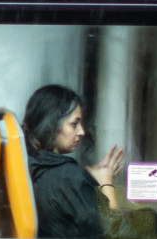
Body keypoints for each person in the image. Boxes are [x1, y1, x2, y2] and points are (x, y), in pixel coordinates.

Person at [22, 84, 124, 238]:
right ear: (51, 124)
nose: (81, 132)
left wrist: (86, 179)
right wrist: (106, 184)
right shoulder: (70, 178)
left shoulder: (28, 165)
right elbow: (115, 234)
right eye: (74, 124)